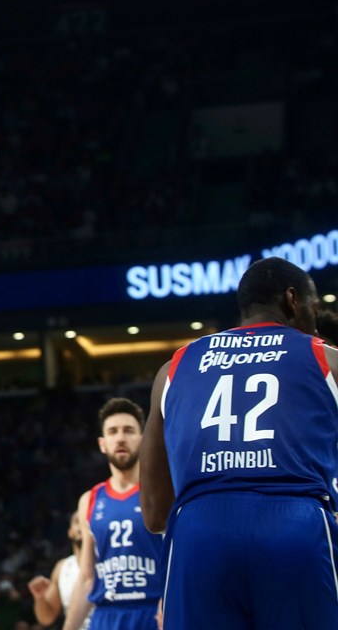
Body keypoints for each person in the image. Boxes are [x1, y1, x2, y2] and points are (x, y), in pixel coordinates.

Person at [139, 256, 338, 630]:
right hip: (294, 527)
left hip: (198, 536)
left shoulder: (175, 367)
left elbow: (153, 512)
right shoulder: (325, 357)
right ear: (293, 300)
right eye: (314, 304)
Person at [62, 398, 163, 630]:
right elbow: (87, 578)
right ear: (102, 443)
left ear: (144, 439)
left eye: (128, 431)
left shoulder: (162, 492)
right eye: (113, 431)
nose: (120, 438)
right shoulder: (90, 500)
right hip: (106, 616)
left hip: (154, 612)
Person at [27, 511, 86, 628]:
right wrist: (40, 598)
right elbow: (46, 618)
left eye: (86, 521)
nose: (81, 525)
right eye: (77, 521)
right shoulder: (62, 567)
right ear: (70, 532)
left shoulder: (107, 562)